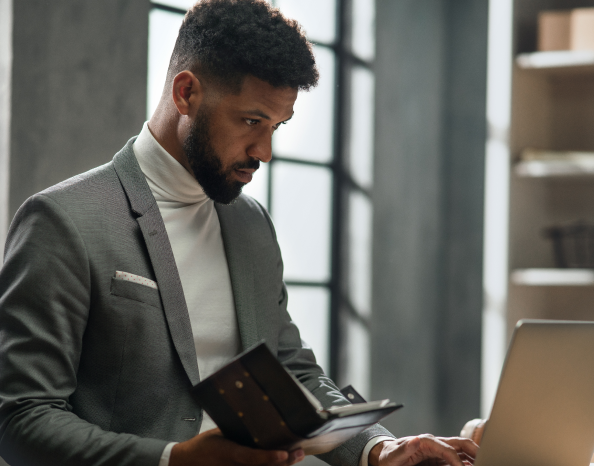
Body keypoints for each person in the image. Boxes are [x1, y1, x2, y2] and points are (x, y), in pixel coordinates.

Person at [0, 1, 478, 465]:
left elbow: (291, 371)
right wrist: (173, 460)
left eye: (277, 126)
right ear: (186, 93)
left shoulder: (252, 225)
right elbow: (21, 419)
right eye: (251, 121)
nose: (264, 151)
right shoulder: (63, 221)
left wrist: (380, 449)